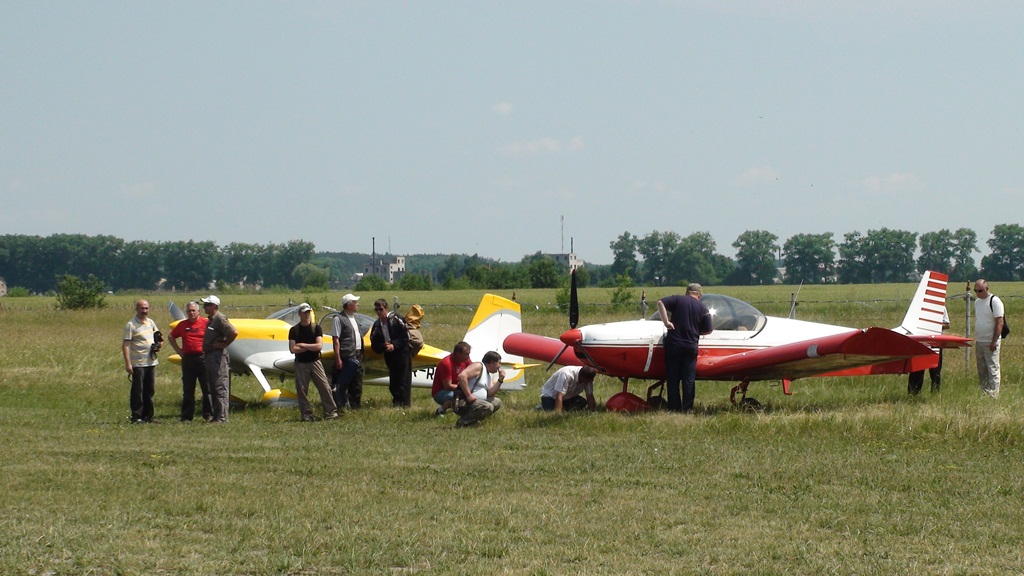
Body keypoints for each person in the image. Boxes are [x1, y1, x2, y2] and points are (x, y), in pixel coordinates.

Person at [657, 283, 713, 413]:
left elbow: (660, 302)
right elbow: (708, 330)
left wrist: (666, 322)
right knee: (688, 379)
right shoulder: (703, 308)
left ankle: (674, 408)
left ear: (687, 292)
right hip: (690, 346)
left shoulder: (678, 299)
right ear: (699, 295)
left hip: (674, 345)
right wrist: (695, 331)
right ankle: (687, 409)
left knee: (673, 378)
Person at [290, 303, 339, 421]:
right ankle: (306, 414)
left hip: (315, 362)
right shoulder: (294, 330)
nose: (306, 314)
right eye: (304, 312)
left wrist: (302, 345)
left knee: (325, 387)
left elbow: (319, 346)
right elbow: (293, 349)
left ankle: (331, 413)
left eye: (308, 312)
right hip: (301, 363)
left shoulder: (316, 328)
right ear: (300, 314)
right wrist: (310, 347)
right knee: (302, 390)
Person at [169, 300, 212, 421]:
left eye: (193, 311)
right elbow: (171, 336)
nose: (191, 313)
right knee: (188, 389)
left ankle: (208, 414)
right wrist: (179, 350)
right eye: (188, 311)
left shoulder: (206, 323)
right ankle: (187, 416)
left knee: (207, 388)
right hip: (188, 359)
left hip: (203, 359)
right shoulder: (183, 325)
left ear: (198, 311)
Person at [122, 299, 162, 423]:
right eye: (142, 308)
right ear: (137, 309)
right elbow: (126, 345)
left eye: (146, 308)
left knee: (149, 390)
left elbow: (159, 337)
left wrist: (158, 345)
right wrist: (128, 364)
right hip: (138, 363)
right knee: (138, 391)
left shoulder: (151, 322)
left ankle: (148, 416)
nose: (144, 311)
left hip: (151, 361)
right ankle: (137, 416)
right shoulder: (131, 325)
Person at [369, 298, 413, 407]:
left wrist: (394, 345)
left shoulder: (396, 318)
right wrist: (383, 346)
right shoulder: (377, 325)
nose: (379, 312)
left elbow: (406, 336)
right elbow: (374, 343)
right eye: (376, 310)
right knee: (394, 381)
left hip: (402, 353)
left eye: (381, 309)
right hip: (389, 355)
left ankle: (405, 405)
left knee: (403, 380)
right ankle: (396, 402)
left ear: (386, 308)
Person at [201, 295, 238, 423]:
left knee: (220, 386)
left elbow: (234, 332)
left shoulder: (220, 318)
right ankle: (216, 416)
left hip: (218, 356)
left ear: (214, 306)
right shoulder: (211, 320)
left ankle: (222, 417)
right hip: (210, 355)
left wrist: (224, 344)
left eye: (207, 305)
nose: (204, 307)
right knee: (212, 385)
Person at [454, 351, 506, 427]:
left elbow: (490, 393)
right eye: (499, 363)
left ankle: (474, 421)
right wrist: (469, 395)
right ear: (492, 363)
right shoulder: (479, 366)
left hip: (476, 402)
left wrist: (500, 380)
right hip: (464, 401)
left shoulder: (488, 375)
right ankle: (463, 422)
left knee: (496, 402)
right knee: (488, 406)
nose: (500, 366)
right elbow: (462, 376)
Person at [332, 293, 365, 410]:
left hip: (358, 356)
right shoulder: (338, 319)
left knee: (357, 385)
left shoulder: (355, 318)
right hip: (346, 357)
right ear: (349, 305)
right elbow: (336, 340)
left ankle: (356, 407)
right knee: (342, 384)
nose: (357, 304)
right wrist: (338, 358)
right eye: (355, 302)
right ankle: (340, 407)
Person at [973, 279, 1005, 399]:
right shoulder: (977, 302)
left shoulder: (995, 301)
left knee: (992, 369)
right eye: (975, 291)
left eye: (980, 291)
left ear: (987, 289)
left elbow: (999, 322)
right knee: (981, 369)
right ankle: (984, 393)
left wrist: (994, 341)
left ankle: (993, 395)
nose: (978, 293)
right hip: (980, 340)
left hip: (990, 341)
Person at [908, 307, 950, 395]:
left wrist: (933, 326)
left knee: (935, 371)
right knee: (917, 369)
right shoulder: (918, 306)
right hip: (920, 342)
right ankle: (913, 394)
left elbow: (947, 324)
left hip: (935, 342)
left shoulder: (941, 307)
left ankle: (935, 394)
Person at [431, 341, 472, 416]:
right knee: (456, 396)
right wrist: (465, 389)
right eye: (466, 354)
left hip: (458, 388)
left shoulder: (466, 360)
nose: (468, 357)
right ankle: (441, 410)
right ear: (458, 354)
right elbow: (448, 386)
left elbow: (473, 371)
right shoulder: (446, 363)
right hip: (441, 392)